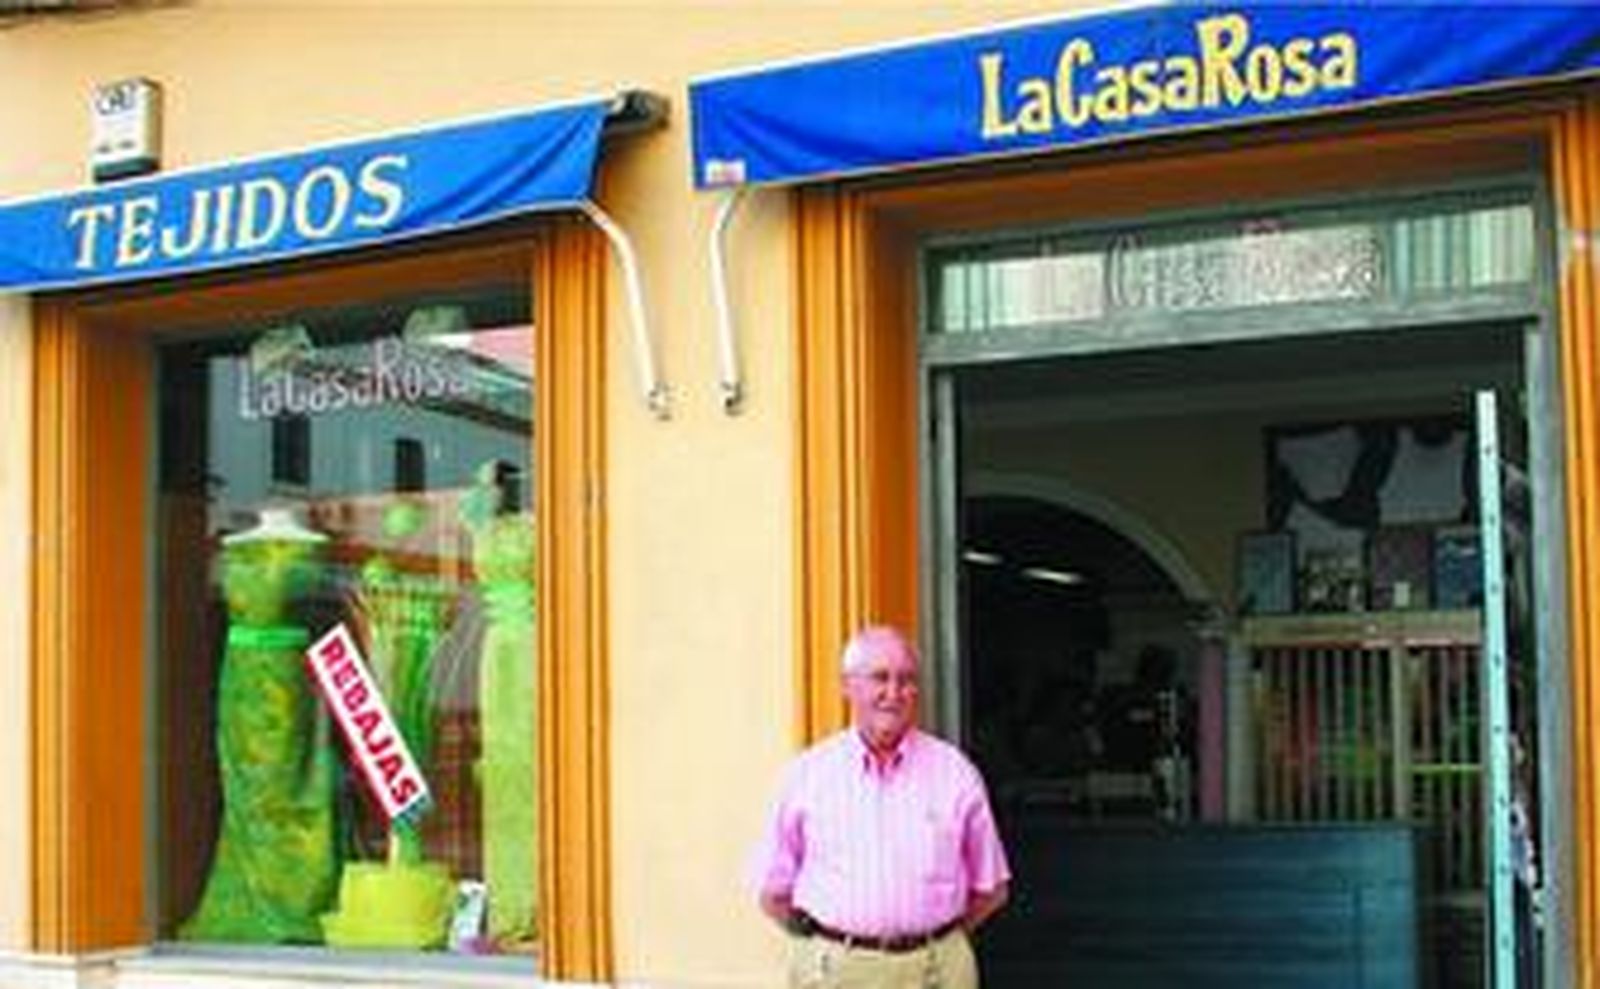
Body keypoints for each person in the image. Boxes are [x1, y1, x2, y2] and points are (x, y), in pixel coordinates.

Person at [752, 625, 1012, 989]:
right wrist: (828, 944)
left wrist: (932, 939)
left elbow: (991, 889)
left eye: (906, 680)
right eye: (880, 678)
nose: (894, 693)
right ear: (847, 686)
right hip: (835, 971)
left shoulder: (955, 773)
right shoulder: (807, 775)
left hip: (934, 972)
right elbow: (771, 891)